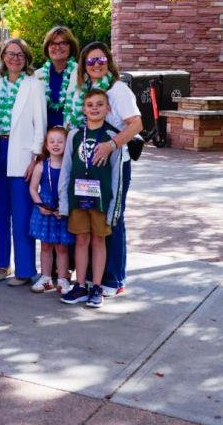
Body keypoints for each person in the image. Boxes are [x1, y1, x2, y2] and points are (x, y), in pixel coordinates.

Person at [69, 41, 143, 297]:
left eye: (101, 60)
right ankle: (91, 278)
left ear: (108, 62)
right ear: (84, 66)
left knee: (113, 217)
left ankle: (113, 278)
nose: (96, 65)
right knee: (92, 218)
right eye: (91, 61)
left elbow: (136, 124)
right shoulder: (84, 91)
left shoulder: (118, 89)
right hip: (89, 166)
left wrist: (110, 145)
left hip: (113, 163)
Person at [0, 38, 47, 286]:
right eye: (10, 54)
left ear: (26, 58)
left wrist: (35, 156)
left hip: (23, 153)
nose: (14, 58)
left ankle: (25, 269)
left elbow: (40, 123)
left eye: (20, 54)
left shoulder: (34, 85)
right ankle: (0, 263)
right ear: (3, 57)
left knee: (22, 213)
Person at [58, 89, 123, 308]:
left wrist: (114, 206)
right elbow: (66, 168)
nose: (94, 108)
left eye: (99, 104)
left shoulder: (112, 138)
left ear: (108, 108)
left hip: (101, 200)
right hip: (78, 199)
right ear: (84, 109)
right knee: (81, 240)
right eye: (90, 104)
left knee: (98, 240)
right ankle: (81, 285)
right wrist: (63, 201)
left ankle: (96, 286)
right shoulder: (75, 135)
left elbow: (116, 176)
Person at [28, 125, 75, 294]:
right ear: (46, 145)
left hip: (62, 210)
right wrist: (41, 206)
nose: (56, 144)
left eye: (60, 141)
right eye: (52, 141)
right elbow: (33, 189)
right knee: (46, 246)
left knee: (62, 248)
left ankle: (62, 279)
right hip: (45, 210)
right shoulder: (41, 165)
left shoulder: (69, 166)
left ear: (66, 144)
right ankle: (46, 277)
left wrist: (64, 207)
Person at [34, 26, 80, 128]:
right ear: (47, 47)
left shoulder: (81, 74)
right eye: (53, 43)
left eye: (63, 43)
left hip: (72, 135)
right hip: (44, 138)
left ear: (71, 47)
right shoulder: (36, 76)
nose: (58, 47)